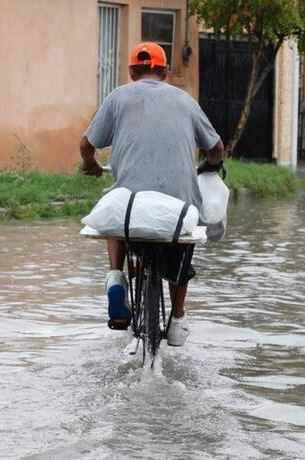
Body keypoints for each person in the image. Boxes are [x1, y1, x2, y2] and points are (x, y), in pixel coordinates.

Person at [79, 42, 223, 346]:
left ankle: (116, 277)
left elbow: (86, 143)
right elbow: (216, 148)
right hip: (177, 207)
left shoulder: (118, 97)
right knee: (186, 234)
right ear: (166, 71)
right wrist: (212, 165)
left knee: (116, 204)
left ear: (132, 71)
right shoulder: (186, 101)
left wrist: (90, 163)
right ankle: (178, 320)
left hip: (130, 206)